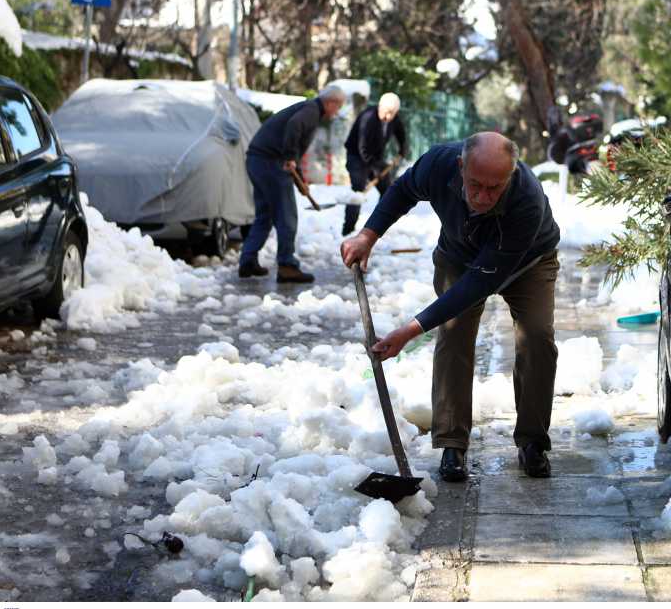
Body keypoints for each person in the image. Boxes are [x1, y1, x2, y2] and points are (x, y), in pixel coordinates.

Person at [340, 132, 561, 482]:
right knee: (454, 334)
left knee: (537, 337)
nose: (484, 197)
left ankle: (533, 441)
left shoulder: (526, 200)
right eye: (475, 185)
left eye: (495, 187)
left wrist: (411, 330)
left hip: (529, 262)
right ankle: (452, 443)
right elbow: (402, 190)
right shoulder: (438, 164)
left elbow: (480, 283)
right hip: (458, 253)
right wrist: (368, 234)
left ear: (511, 175)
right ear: (461, 167)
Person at [240, 84, 346, 283]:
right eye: (338, 107)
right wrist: (289, 157)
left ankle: (247, 260)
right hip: (271, 163)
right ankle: (287, 265)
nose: (337, 112)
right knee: (287, 216)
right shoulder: (311, 110)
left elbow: (293, 154)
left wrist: (301, 182)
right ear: (330, 102)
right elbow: (294, 128)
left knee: (265, 215)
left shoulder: (308, 109)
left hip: (257, 160)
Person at [342, 92, 408, 236]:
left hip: (375, 158)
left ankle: (376, 226)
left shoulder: (393, 118)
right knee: (358, 189)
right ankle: (348, 228)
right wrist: (375, 168)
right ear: (380, 107)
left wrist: (403, 148)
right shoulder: (368, 118)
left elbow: (401, 134)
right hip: (357, 156)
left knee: (388, 189)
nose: (388, 117)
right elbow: (362, 148)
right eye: (386, 112)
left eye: (392, 113)